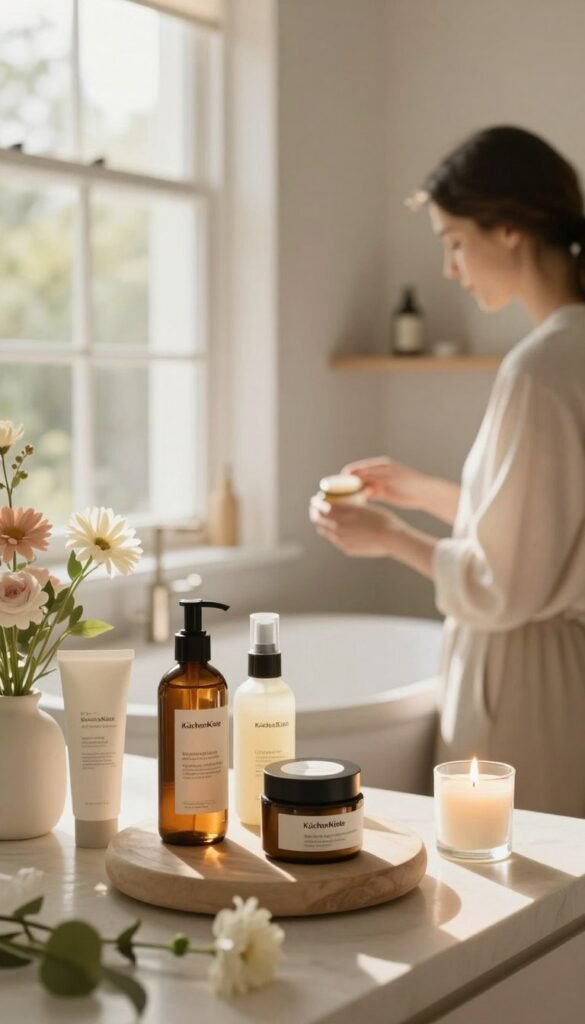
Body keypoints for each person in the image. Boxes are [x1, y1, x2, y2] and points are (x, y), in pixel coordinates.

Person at [310, 126, 585, 816]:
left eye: (454, 241)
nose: (450, 269)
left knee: (515, 895)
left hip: (523, 686)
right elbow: (549, 538)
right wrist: (428, 495)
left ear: (508, 228)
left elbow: (503, 586)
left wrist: (390, 537)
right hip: (565, 677)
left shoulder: (538, 369)